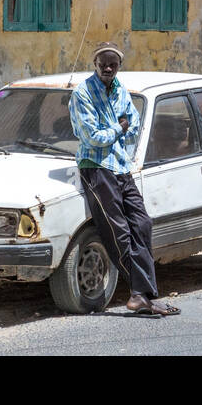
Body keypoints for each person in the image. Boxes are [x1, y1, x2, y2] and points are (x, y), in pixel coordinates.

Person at [69, 42, 179, 316]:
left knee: (142, 224)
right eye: (103, 63)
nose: (108, 68)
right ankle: (143, 295)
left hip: (120, 166)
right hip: (96, 168)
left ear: (119, 66)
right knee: (119, 233)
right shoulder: (83, 93)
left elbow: (135, 127)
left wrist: (117, 130)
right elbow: (92, 137)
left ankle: (142, 295)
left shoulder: (120, 89)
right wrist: (119, 127)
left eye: (113, 64)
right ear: (95, 64)